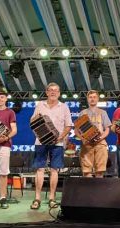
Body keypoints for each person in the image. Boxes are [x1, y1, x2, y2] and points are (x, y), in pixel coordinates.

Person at [30, 82, 73, 210]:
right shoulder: (40, 105)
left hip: (57, 143)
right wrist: (39, 132)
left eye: (56, 90)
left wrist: (61, 137)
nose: (53, 92)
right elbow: (33, 121)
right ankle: (37, 198)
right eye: (50, 90)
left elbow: (68, 125)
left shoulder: (64, 106)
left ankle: (52, 198)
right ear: (47, 92)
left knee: (54, 170)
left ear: (59, 93)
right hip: (41, 142)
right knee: (40, 169)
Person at [75, 90, 112, 178]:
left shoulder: (103, 112)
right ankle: (88, 191)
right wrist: (83, 139)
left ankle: (98, 191)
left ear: (97, 99)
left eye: (94, 97)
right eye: (90, 97)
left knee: (100, 171)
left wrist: (100, 138)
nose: (92, 99)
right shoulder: (82, 113)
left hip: (100, 144)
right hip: (86, 144)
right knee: (86, 171)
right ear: (87, 99)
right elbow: (76, 130)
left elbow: (107, 129)